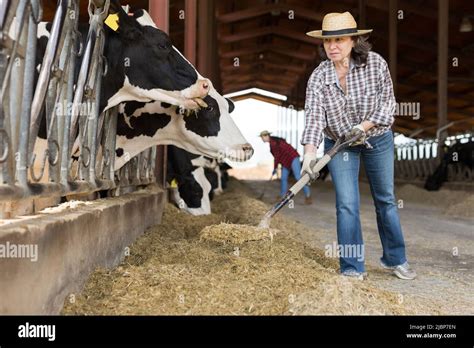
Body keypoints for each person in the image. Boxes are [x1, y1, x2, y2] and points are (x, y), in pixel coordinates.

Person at [300, 12, 416, 280]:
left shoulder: (375, 64)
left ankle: (395, 259)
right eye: (327, 41)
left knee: (385, 199)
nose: (333, 46)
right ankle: (352, 267)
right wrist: (309, 153)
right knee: (347, 203)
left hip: (377, 138)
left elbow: (387, 106)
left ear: (353, 40)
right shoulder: (319, 77)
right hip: (341, 144)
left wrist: (362, 128)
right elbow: (314, 117)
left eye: (339, 39)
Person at [259, 131, 312, 205]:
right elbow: (278, 156)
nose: (262, 139)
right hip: (285, 161)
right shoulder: (273, 142)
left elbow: (277, 157)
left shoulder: (274, 143)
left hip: (293, 157)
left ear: (266, 136)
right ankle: (282, 196)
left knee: (298, 177)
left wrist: (275, 168)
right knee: (283, 178)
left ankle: (308, 196)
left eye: (262, 137)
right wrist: (275, 167)